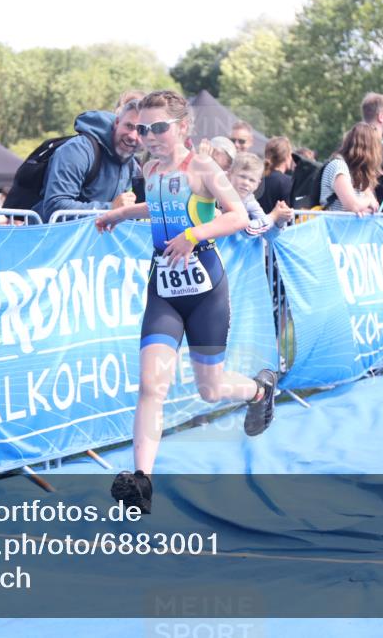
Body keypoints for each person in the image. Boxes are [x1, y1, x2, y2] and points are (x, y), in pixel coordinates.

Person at [94, 90, 278, 513]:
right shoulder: (151, 168)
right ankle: (141, 483)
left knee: (210, 390)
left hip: (205, 293)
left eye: (158, 128)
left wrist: (194, 235)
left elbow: (237, 215)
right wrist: (121, 214)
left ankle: (258, 390)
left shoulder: (202, 166)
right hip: (164, 292)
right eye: (143, 129)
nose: (149, 136)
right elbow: (158, 208)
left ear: (183, 127)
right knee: (150, 385)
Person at [36, 99, 142, 222]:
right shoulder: (78, 150)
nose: (132, 136)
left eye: (141, 130)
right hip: (49, 238)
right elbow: (54, 207)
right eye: (129, 126)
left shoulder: (132, 165)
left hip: (90, 239)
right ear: (117, 122)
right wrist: (111, 209)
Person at [318, 122, 382, 215]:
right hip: (334, 227)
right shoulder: (338, 166)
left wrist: (364, 207)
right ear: (367, 149)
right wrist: (367, 202)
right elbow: (353, 205)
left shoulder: (357, 171)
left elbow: (374, 205)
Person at [229, 152, 292, 239]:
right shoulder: (222, 195)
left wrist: (279, 220)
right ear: (230, 174)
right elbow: (248, 230)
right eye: (242, 176)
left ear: (257, 184)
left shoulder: (250, 200)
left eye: (252, 180)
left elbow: (268, 235)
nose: (246, 183)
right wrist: (273, 216)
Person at [258, 136, 294, 214]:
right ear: (287, 157)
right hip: (279, 225)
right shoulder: (288, 182)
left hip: (257, 224)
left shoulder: (257, 178)